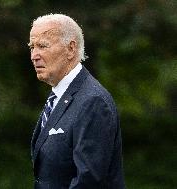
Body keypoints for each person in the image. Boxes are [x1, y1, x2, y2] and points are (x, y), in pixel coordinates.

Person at [28, 14, 125, 189]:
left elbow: (88, 181)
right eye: (32, 47)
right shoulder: (58, 97)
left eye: (42, 46)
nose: (34, 55)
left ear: (71, 49)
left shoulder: (93, 101)